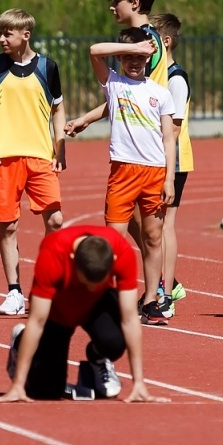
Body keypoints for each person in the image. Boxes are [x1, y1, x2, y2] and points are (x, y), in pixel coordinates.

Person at [0, 226, 164, 404]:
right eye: (87, 283)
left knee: (115, 342)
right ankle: (20, 341)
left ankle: (97, 358)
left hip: (97, 304)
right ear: (73, 260)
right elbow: (37, 321)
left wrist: (139, 382)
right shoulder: (53, 252)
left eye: (97, 283)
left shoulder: (121, 252)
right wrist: (18, 384)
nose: (91, 288)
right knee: (47, 391)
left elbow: (130, 319)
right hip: (59, 307)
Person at [72, 28, 177, 325]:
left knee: (153, 237)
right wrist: (134, 46)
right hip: (123, 171)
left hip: (155, 173)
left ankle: (152, 301)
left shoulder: (161, 94)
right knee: (113, 240)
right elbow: (94, 49)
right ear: (119, 57)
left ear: (150, 58)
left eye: (141, 57)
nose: (135, 62)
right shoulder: (114, 83)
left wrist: (169, 179)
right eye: (128, 57)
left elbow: (169, 138)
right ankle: (108, 297)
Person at [0, 8, 66, 317]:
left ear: (25, 35)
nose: (1, 38)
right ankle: (14, 292)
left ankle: (49, 285)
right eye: (0, 33)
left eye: (7, 33)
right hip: (5, 158)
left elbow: (58, 110)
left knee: (54, 221)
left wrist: (59, 148)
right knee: (8, 225)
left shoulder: (48, 67)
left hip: (40, 155)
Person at [152, 13, 193, 318]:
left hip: (172, 160)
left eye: (149, 36)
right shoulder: (154, 75)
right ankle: (168, 281)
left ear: (164, 41)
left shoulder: (175, 78)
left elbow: (175, 129)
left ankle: (166, 292)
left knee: (165, 224)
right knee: (143, 224)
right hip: (150, 157)